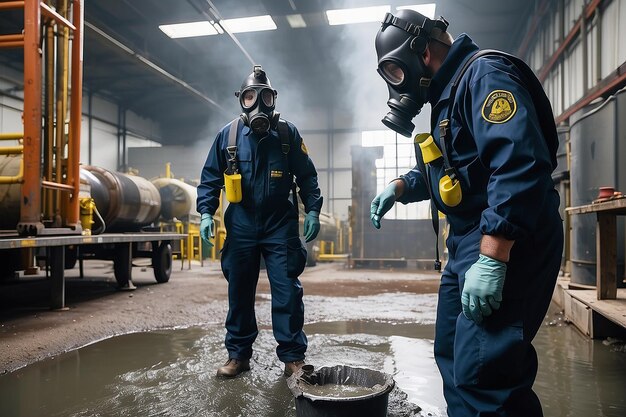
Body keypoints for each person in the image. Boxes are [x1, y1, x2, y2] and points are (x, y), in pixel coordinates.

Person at [370, 9, 563, 417]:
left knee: (486, 373)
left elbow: (519, 164)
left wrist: (493, 255)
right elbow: (452, 173)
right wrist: (401, 186)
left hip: (505, 236)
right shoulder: (448, 96)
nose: (395, 85)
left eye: (395, 71)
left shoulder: (485, 75)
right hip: (467, 241)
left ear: (422, 52)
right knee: (454, 358)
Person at [197, 65, 323, 378]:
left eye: (265, 96)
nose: (259, 105)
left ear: (274, 99)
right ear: (241, 100)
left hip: (280, 224)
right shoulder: (228, 136)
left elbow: (307, 175)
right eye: (251, 97)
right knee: (239, 291)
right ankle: (238, 356)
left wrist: (313, 209)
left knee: (287, 292)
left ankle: (293, 357)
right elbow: (210, 178)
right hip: (241, 224)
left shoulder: (287, 134)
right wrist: (205, 213)